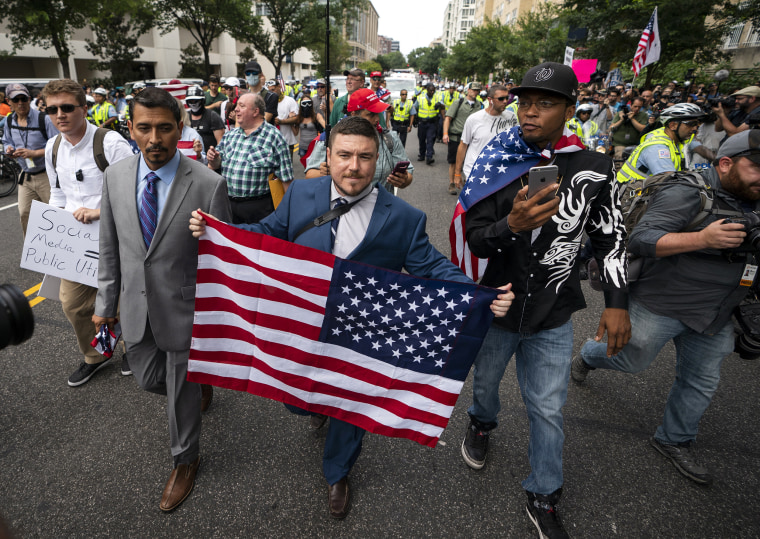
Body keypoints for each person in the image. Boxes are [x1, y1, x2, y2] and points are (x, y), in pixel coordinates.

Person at [189, 115, 515, 519]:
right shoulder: (301, 195)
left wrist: (480, 296)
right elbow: (268, 232)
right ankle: (316, 407)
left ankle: (338, 471)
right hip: (304, 328)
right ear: (328, 155)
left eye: (364, 156)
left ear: (378, 160)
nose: (354, 166)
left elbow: (432, 267)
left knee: (349, 406)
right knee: (301, 404)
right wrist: (221, 232)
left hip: (359, 336)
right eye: (344, 155)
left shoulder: (403, 218)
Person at [459, 62, 630, 539]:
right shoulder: (495, 161)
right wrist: (510, 226)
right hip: (497, 307)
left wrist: (617, 302)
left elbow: (611, 238)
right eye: (524, 102)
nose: (530, 113)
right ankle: (481, 424)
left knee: (549, 408)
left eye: (545, 103)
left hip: (553, 311)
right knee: (487, 386)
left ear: (570, 109)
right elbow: (474, 240)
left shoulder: (594, 167)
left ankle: (544, 493)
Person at [571, 129, 760, 486]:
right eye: (756, 168)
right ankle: (586, 357)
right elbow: (642, 238)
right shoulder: (688, 192)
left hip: (716, 314)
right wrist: (703, 239)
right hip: (661, 303)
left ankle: (673, 439)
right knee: (628, 358)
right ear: (725, 164)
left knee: (702, 380)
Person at [94, 87, 231, 512]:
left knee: (178, 389)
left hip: (187, 310)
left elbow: (225, 259)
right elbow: (110, 247)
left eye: (164, 128)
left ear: (180, 129)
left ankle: (185, 459)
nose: (155, 138)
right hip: (135, 307)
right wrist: (105, 302)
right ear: (130, 129)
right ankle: (197, 386)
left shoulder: (209, 184)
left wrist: (209, 239)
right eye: (144, 127)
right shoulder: (115, 177)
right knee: (148, 378)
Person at [42, 79, 134, 386]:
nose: (60, 115)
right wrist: (52, 230)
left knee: (119, 304)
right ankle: (95, 356)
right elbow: (57, 193)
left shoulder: (110, 143)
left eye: (67, 107)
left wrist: (98, 212)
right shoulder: (52, 147)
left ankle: (131, 351)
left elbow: (133, 193)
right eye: (52, 109)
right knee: (73, 304)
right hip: (74, 243)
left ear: (84, 108)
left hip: (113, 238)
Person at [207, 93, 293, 225]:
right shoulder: (230, 136)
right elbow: (216, 165)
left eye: (241, 106)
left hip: (258, 209)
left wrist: (288, 216)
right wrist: (214, 159)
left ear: (255, 111)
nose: (236, 109)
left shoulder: (274, 137)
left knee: (256, 244)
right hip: (228, 205)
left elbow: (286, 180)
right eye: (236, 106)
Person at [305, 88, 413, 193]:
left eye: (378, 113)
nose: (377, 119)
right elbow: (309, 174)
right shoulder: (331, 137)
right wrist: (324, 173)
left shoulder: (390, 138)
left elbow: (408, 174)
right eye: (371, 114)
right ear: (354, 115)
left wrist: (403, 180)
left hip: (381, 208)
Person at [2, 83, 59, 238]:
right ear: (9, 101)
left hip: (46, 175)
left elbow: (58, 146)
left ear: (29, 99)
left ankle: (60, 250)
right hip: (25, 175)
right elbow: (7, 141)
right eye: (16, 99)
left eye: (24, 98)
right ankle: (33, 251)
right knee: (25, 213)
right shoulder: (8, 121)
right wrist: (9, 150)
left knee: (56, 215)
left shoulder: (44, 119)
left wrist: (34, 153)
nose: (21, 103)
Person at [617, 103, 706, 185]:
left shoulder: (676, 140)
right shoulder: (657, 148)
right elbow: (670, 182)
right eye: (691, 124)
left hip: (647, 191)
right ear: (672, 126)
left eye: (697, 124)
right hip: (628, 194)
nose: (695, 128)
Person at [454, 84, 518, 189]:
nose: (505, 101)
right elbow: (463, 145)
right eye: (501, 98)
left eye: (507, 98)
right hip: (475, 173)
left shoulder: (511, 117)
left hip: (500, 173)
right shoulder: (474, 119)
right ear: (490, 100)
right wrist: (457, 174)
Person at [443, 82, 482, 194]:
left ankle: (466, 181)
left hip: (472, 139)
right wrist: (445, 133)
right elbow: (448, 118)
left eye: (477, 90)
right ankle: (452, 183)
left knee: (470, 161)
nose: (475, 92)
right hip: (457, 137)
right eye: (473, 90)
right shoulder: (458, 102)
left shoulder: (479, 105)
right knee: (454, 161)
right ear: (468, 90)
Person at [266, 79, 299, 158]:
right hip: (271, 143)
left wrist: (282, 121)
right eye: (269, 90)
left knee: (287, 169)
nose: (272, 92)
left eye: (273, 90)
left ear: (279, 87)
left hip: (287, 142)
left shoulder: (290, 101)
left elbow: (296, 119)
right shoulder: (266, 102)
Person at [186, 85, 225, 153]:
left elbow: (221, 141)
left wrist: (214, 157)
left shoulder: (212, 116)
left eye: (196, 101)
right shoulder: (185, 117)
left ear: (202, 100)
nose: (193, 103)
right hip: (191, 158)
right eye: (190, 101)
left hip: (209, 158)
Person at [411, 82, 442, 165]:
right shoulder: (420, 98)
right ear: (427, 89)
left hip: (432, 123)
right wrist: (414, 119)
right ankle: (422, 155)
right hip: (422, 122)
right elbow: (414, 107)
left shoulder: (437, 97)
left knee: (430, 139)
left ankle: (429, 157)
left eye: (433, 91)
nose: (432, 92)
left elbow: (443, 104)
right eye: (431, 90)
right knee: (421, 139)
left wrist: (440, 104)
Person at [609, 97, 648, 161]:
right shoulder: (620, 113)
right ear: (630, 105)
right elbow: (611, 128)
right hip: (620, 144)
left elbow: (642, 129)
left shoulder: (643, 115)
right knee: (620, 159)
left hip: (634, 145)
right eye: (635, 106)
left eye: (639, 107)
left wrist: (632, 119)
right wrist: (621, 120)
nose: (637, 109)